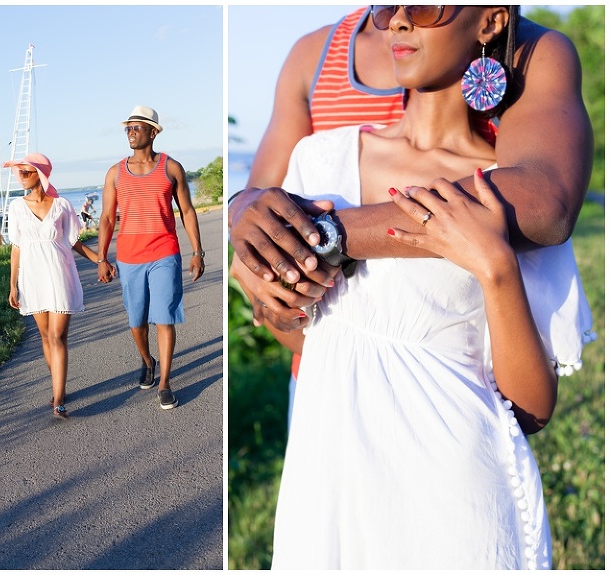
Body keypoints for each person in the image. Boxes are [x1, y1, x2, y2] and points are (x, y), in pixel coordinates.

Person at [237, 6, 591, 568]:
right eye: (388, 5)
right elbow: (310, 339)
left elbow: (532, 408)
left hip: (458, 503)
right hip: (327, 488)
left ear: (490, 22)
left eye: (425, 6)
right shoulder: (319, 163)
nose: (398, 21)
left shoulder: (499, 194)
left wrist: (496, 268)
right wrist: (271, 297)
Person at [97, 105, 205, 410]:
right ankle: (147, 359)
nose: (131, 133)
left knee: (164, 317)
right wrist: (102, 258)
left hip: (164, 253)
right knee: (136, 322)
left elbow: (187, 211)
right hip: (129, 257)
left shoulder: (171, 168)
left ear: (153, 132)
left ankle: (165, 384)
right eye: (128, 128)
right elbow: (106, 218)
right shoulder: (115, 172)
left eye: (136, 127)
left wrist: (197, 251)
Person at [6, 152, 104, 419]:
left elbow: (74, 242)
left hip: (59, 275)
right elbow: (16, 248)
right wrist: (13, 285)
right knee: (45, 336)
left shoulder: (61, 205)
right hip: (32, 277)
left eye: (25, 172)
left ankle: (59, 400)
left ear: (40, 174)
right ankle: (57, 385)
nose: (20, 177)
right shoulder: (16, 207)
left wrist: (100, 260)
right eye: (19, 172)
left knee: (58, 336)